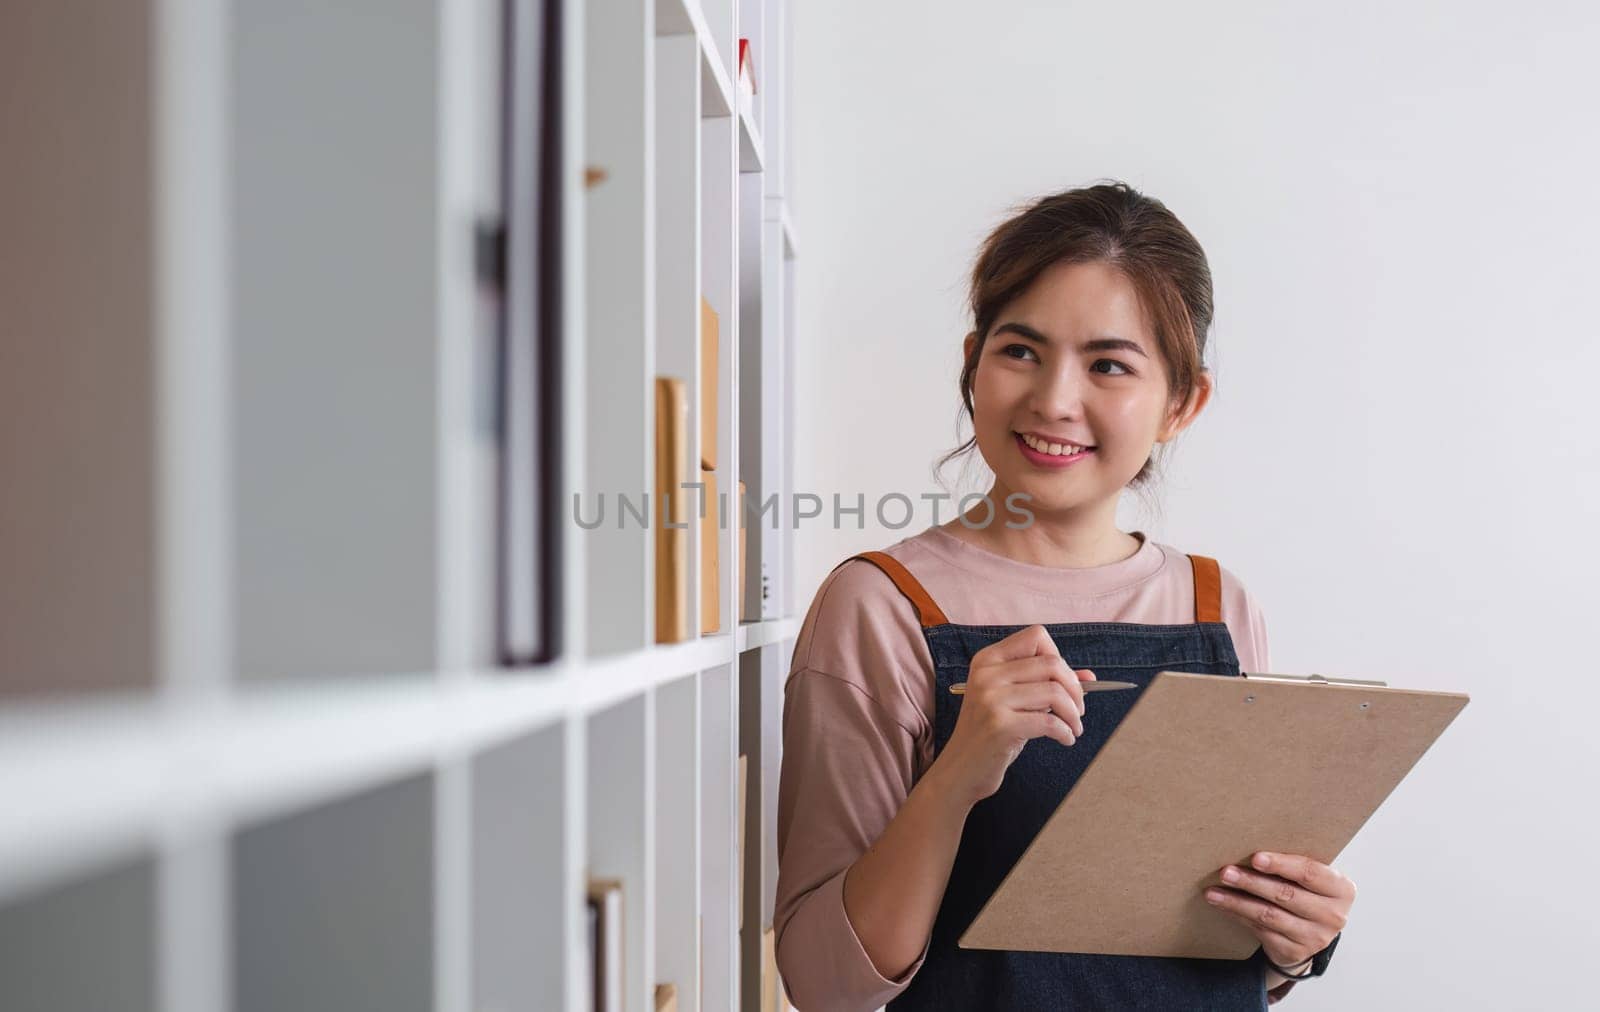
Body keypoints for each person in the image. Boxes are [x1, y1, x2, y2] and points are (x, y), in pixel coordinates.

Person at [772, 182, 1355, 1010]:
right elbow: (822, 982)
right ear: (972, 362)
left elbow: (1216, 948)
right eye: (1021, 351)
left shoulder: (1216, 605)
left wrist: (1296, 941)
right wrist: (957, 775)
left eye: (1109, 364)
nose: (1053, 400)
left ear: (1181, 404)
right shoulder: (881, 606)